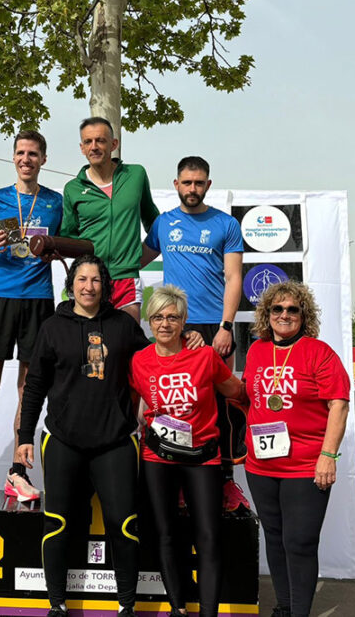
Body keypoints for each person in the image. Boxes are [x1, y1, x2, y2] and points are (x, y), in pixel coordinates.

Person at [14, 255, 150, 617]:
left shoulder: (123, 324)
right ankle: (56, 604)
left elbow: (155, 364)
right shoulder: (53, 326)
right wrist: (24, 435)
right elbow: (35, 385)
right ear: (71, 283)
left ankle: (127, 606)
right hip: (63, 441)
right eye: (82, 279)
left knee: (124, 525)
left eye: (95, 280)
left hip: (116, 442)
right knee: (57, 523)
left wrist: (188, 339)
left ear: (104, 286)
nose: (88, 286)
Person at [129, 285, 246, 617]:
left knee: (207, 536)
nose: (164, 324)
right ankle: (177, 608)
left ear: (183, 322)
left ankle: (208, 613)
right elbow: (130, 402)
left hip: (202, 458)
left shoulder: (205, 355)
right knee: (165, 534)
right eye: (158, 317)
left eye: (172, 317)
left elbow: (234, 391)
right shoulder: (139, 360)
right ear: (149, 322)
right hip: (157, 458)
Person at [142, 156, 249, 511]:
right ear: (176, 185)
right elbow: (135, 258)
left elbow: (234, 278)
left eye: (199, 183)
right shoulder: (164, 223)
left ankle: (227, 482)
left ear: (208, 184)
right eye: (186, 183)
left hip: (213, 324)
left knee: (219, 405)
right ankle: (183, 477)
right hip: (175, 323)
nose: (192, 189)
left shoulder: (225, 224)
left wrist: (226, 326)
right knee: (178, 401)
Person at [0, 129, 62, 503]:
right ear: (14, 158)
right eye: (20, 153)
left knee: (29, 386)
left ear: (43, 160)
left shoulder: (54, 202)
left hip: (38, 299)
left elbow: (63, 242)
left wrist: (53, 249)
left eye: (33, 154)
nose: (26, 159)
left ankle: (18, 471)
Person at [242, 281, 350, 617]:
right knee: (274, 537)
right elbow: (250, 398)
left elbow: (339, 405)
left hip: (305, 466)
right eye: (278, 309)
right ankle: (284, 607)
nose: (285, 314)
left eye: (293, 309)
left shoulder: (318, 352)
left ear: (304, 315)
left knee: (300, 542)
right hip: (261, 466)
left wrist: (328, 455)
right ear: (267, 314)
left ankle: (299, 612)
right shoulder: (257, 350)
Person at [60, 117, 159, 320]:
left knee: (125, 344)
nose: (94, 147)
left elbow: (154, 223)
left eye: (100, 140)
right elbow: (69, 236)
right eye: (88, 142)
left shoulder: (136, 174)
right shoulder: (73, 188)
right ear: (82, 147)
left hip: (125, 279)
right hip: (90, 280)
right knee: (89, 346)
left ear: (114, 144)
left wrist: (137, 259)